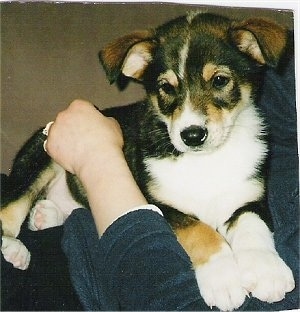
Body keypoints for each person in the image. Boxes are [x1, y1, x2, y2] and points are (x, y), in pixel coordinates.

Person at [1, 56, 298, 310]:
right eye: (168, 87)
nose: (193, 117)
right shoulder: (280, 108)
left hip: (85, 273)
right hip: (69, 208)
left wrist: (244, 249)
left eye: (218, 81)